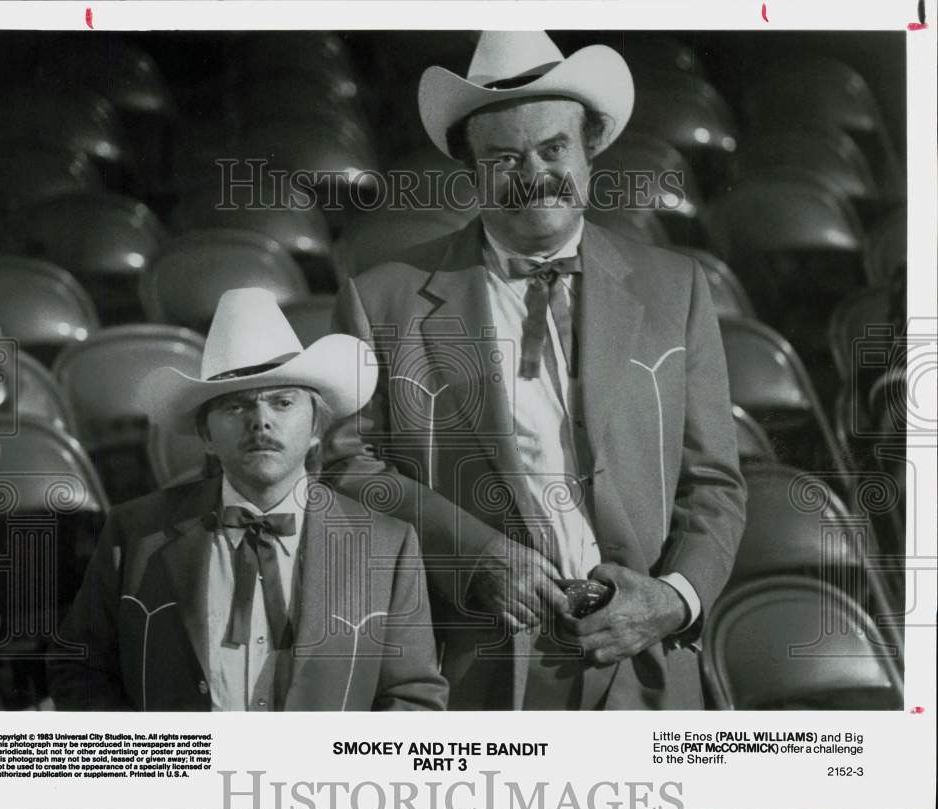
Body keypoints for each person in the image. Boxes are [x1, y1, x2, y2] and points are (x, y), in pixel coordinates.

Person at [323, 31, 746, 709]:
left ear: (591, 151)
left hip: (647, 668)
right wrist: (471, 553)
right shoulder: (381, 300)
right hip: (473, 670)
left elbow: (716, 485)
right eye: (503, 157)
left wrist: (673, 599)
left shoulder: (677, 288)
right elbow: (347, 470)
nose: (533, 173)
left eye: (553, 148)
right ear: (472, 173)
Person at [49, 288, 448, 712]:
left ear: (316, 427)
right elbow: (80, 671)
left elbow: (413, 697)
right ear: (205, 436)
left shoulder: (387, 545)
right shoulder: (135, 534)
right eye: (236, 407)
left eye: (282, 402)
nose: (261, 421)